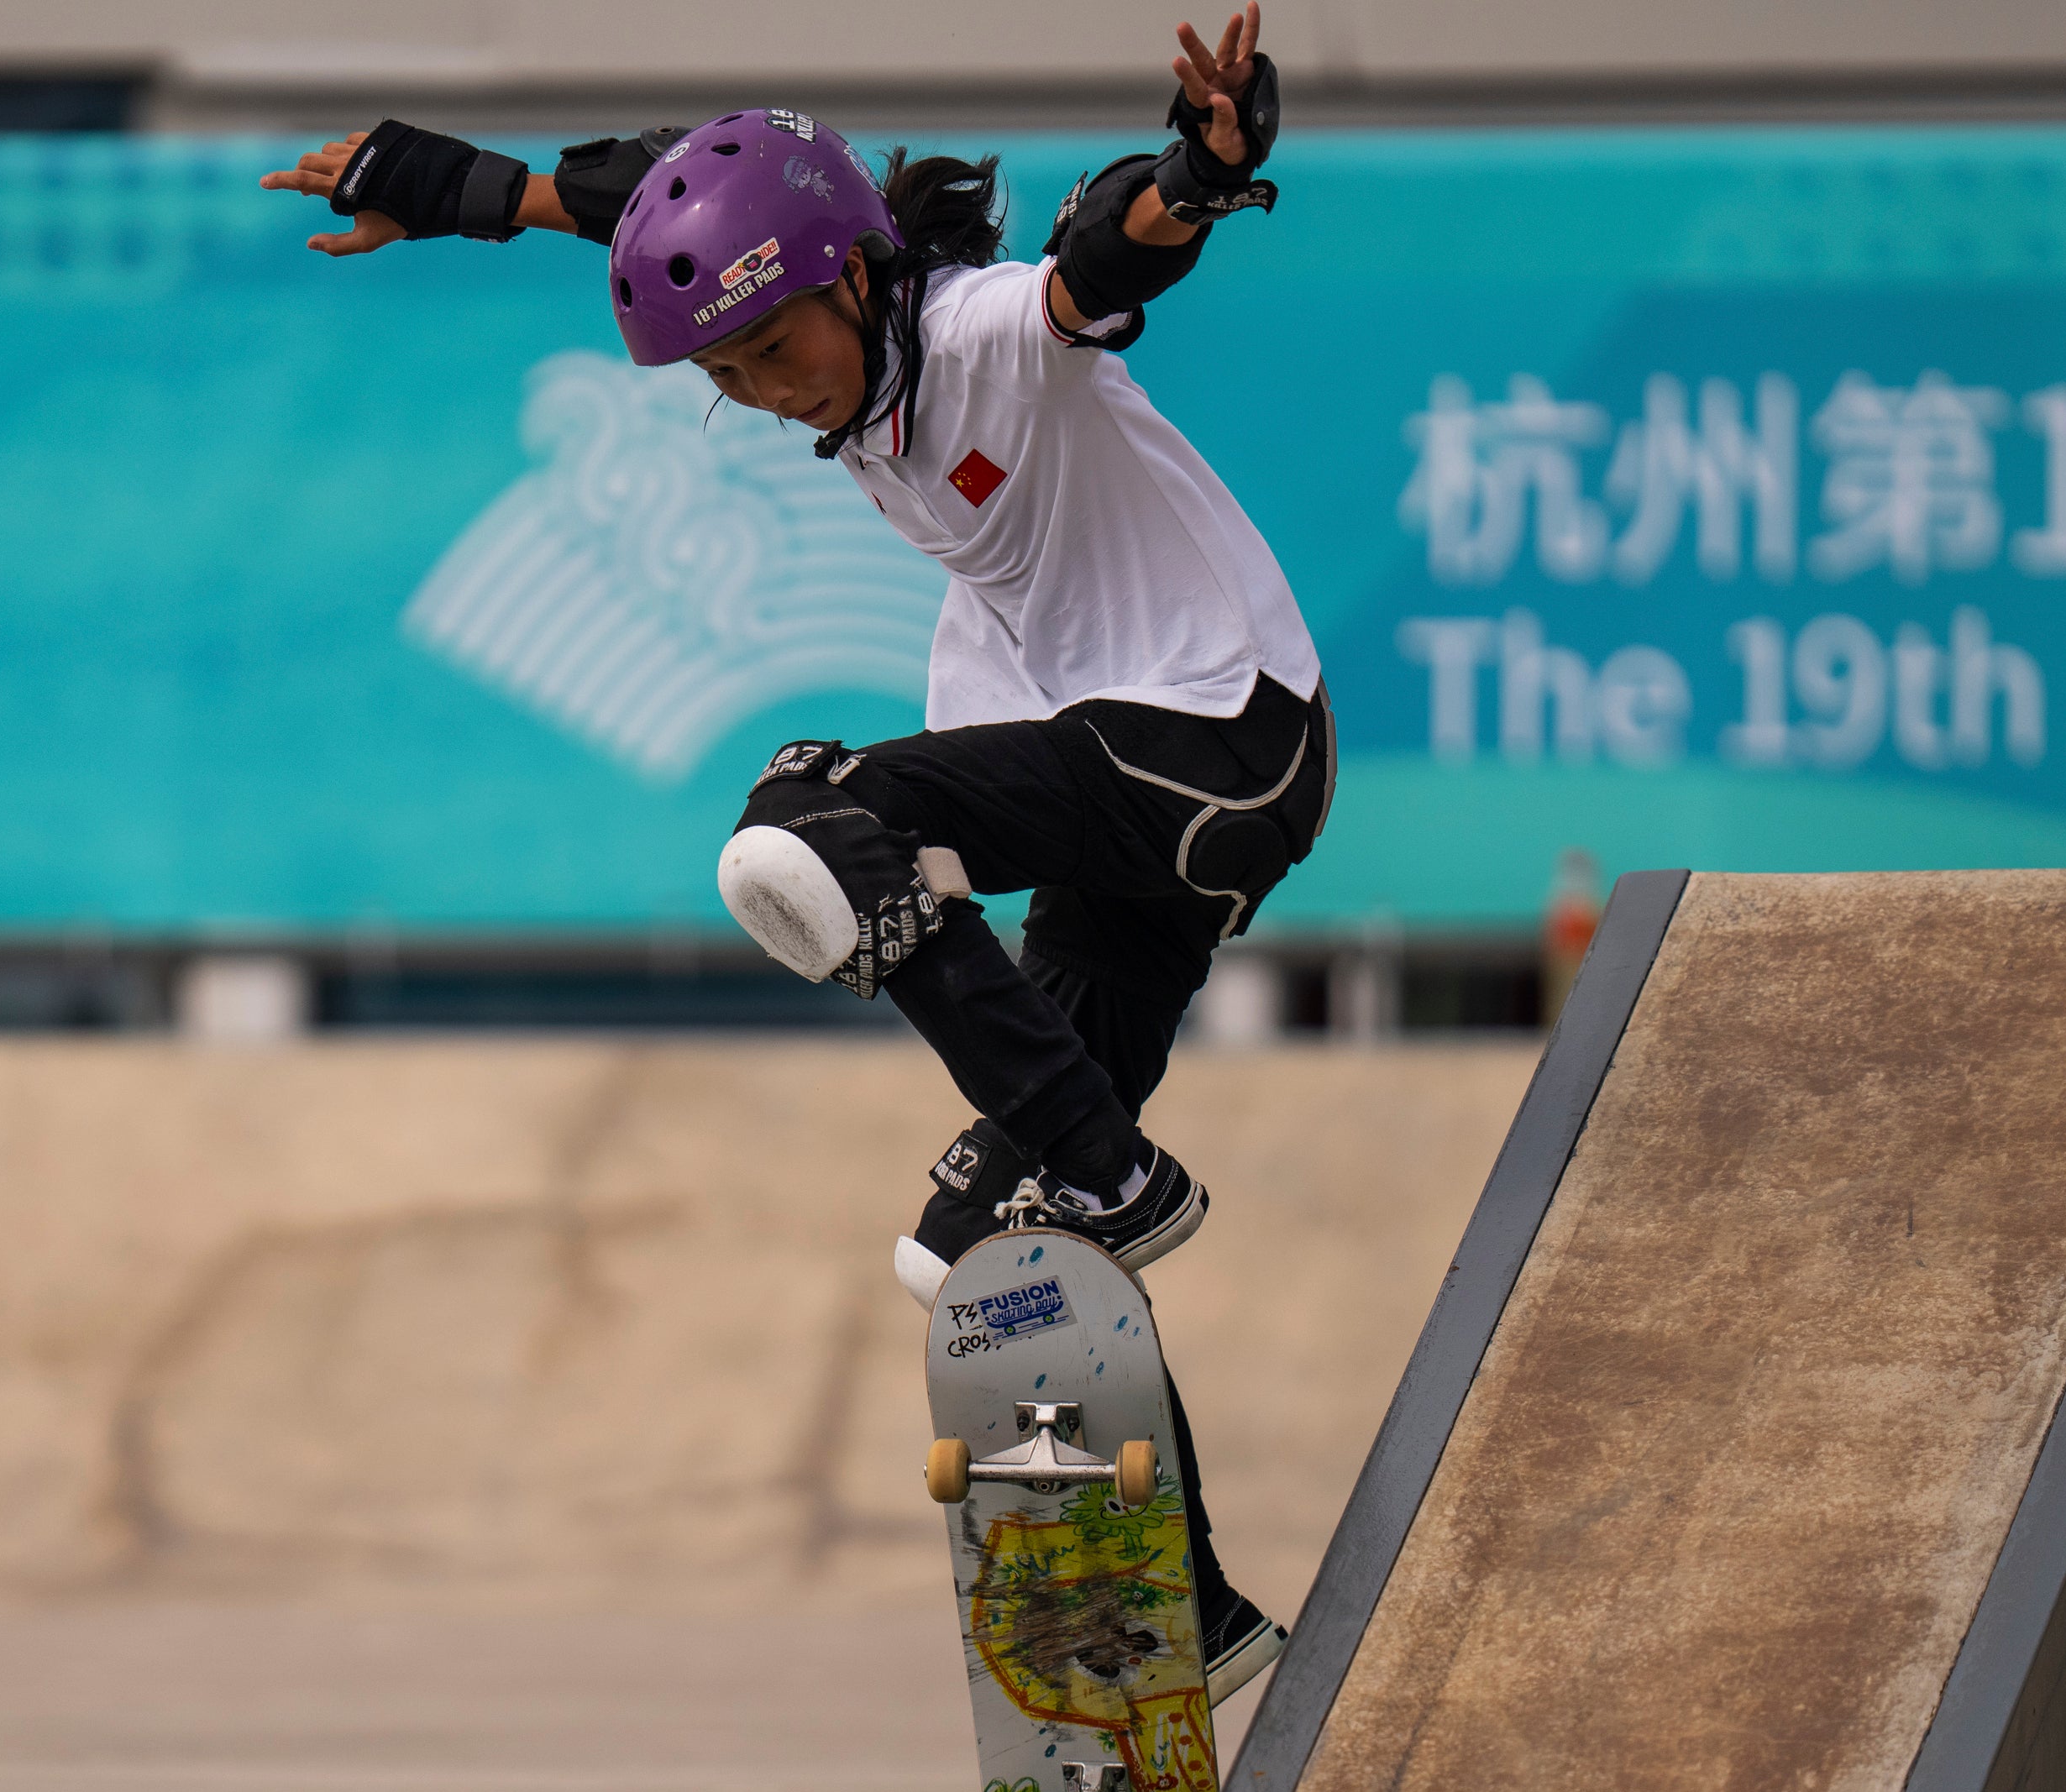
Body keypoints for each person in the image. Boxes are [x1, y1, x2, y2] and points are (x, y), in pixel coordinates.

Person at [262, 8, 1316, 1699]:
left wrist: (1198, 172)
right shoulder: (831, 331)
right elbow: (624, 200)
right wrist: (451, 187)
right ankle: (1197, 1626)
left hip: (1214, 748)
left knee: (812, 820)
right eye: (726, 379)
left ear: (849, 280)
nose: (759, 399)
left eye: (771, 356)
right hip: (1120, 820)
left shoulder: (974, 327)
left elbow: (1094, 268)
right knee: (983, 1261)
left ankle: (1121, 1175)